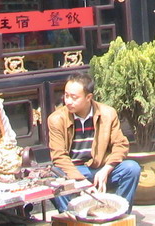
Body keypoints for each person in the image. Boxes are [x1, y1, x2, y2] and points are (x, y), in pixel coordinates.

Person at [47, 73, 140, 213]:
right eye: (66, 96)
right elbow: (59, 156)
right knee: (54, 177)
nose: (68, 101)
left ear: (88, 97)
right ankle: (70, 217)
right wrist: (80, 180)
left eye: (74, 97)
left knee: (131, 168)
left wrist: (106, 169)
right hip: (74, 170)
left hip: (99, 168)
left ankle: (118, 213)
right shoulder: (56, 119)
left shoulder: (108, 114)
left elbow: (120, 145)